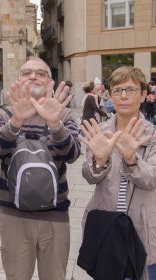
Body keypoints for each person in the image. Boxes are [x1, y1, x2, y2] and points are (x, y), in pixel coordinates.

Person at [0, 57, 81, 280]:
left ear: (50, 82)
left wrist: (55, 124)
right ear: (19, 80)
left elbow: (72, 155)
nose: (33, 76)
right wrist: (16, 121)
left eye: (40, 73)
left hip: (55, 215)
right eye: (27, 72)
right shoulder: (4, 113)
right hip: (13, 215)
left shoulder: (64, 114)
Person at [79, 66, 156, 280]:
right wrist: (99, 162)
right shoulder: (100, 132)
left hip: (142, 226)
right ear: (110, 95)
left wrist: (132, 160)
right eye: (117, 90)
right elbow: (89, 176)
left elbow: (151, 180)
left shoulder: (153, 135)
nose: (123, 96)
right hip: (106, 224)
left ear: (143, 94)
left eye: (130, 90)